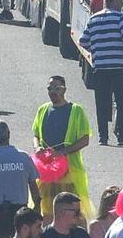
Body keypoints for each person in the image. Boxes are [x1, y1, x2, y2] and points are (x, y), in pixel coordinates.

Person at [80, 0, 123, 147]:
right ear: (114, 2)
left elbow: (83, 41)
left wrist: (97, 52)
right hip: (118, 68)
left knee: (101, 103)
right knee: (121, 103)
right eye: (121, 1)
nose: (122, 4)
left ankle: (103, 137)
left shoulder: (93, 19)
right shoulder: (120, 18)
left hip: (100, 68)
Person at [30, 76, 91, 216]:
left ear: (64, 89)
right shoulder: (43, 109)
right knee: (46, 210)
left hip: (69, 171)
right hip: (46, 170)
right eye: (50, 88)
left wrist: (62, 152)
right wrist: (37, 148)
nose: (53, 92)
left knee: (73, 211)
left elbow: (85, 140)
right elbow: (36, 135)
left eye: (57, 88)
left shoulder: (76, 110)